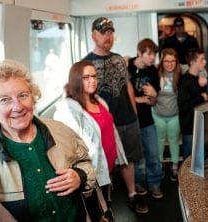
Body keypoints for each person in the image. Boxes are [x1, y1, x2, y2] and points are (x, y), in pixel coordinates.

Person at [0, 60, 96, 221]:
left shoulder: (61, 130)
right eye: (5, 100)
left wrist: (80, 176)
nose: (18, 106)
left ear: (32, 98)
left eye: (23, 95)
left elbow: (85, 162)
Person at [83, 17, 148, 214]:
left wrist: (134, 113)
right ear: (94, 35)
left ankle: (131, 195)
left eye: (110, 32)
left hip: (128, 119)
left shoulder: (120, 59)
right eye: (103, 32)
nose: (108, 36)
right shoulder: (86, 64)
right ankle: (106, 202)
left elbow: (127, 85)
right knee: (105, 163)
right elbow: (84, 95)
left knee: (129, 160)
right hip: (105, 124)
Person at [54, 60, 128, 221]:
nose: (92, 80)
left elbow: (110, 130)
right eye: (86, 77)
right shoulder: (68, 109)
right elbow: (69, 148)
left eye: (94, 76)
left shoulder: (98, 100)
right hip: (91, 171)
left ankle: (106, 209)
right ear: (76, 80)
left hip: (107, 165)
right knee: (95, 211)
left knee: (105, 203)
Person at [127, 38, 163, 199]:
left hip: (148, 121)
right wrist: (139, 99)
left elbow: (153, 101)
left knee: (154, 156)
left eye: (154, 54)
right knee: (137, 159)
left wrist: (154, 96)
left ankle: (155, 184)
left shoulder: (153, 71)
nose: (152, 58)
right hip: (131, 122)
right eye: (148, 54)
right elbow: (122, 97)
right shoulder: (126, 67)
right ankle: (139, 183)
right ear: (139, 53)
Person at [152, 48, 182, 181]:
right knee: (158, 142)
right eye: (166, 61)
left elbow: (197, 68)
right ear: (161, 62)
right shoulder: (156, 74)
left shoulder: (180, 72)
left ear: (176, 62)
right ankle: (159, 166)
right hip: (158, 114)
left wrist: (203, 74)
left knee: (174, 141)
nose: (169, 64)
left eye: (172, 61)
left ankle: (175, 167)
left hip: (174, 115)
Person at [177, 48, 208, 160]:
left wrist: (205, 86)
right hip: (190, 127)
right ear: (193, 62)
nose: (204, 62)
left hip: (199, 124)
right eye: (201, 59)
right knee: (189, 160)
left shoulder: (199, 79)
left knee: (199, 158)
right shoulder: (185, 81)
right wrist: (200, 97)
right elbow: (183, 106)